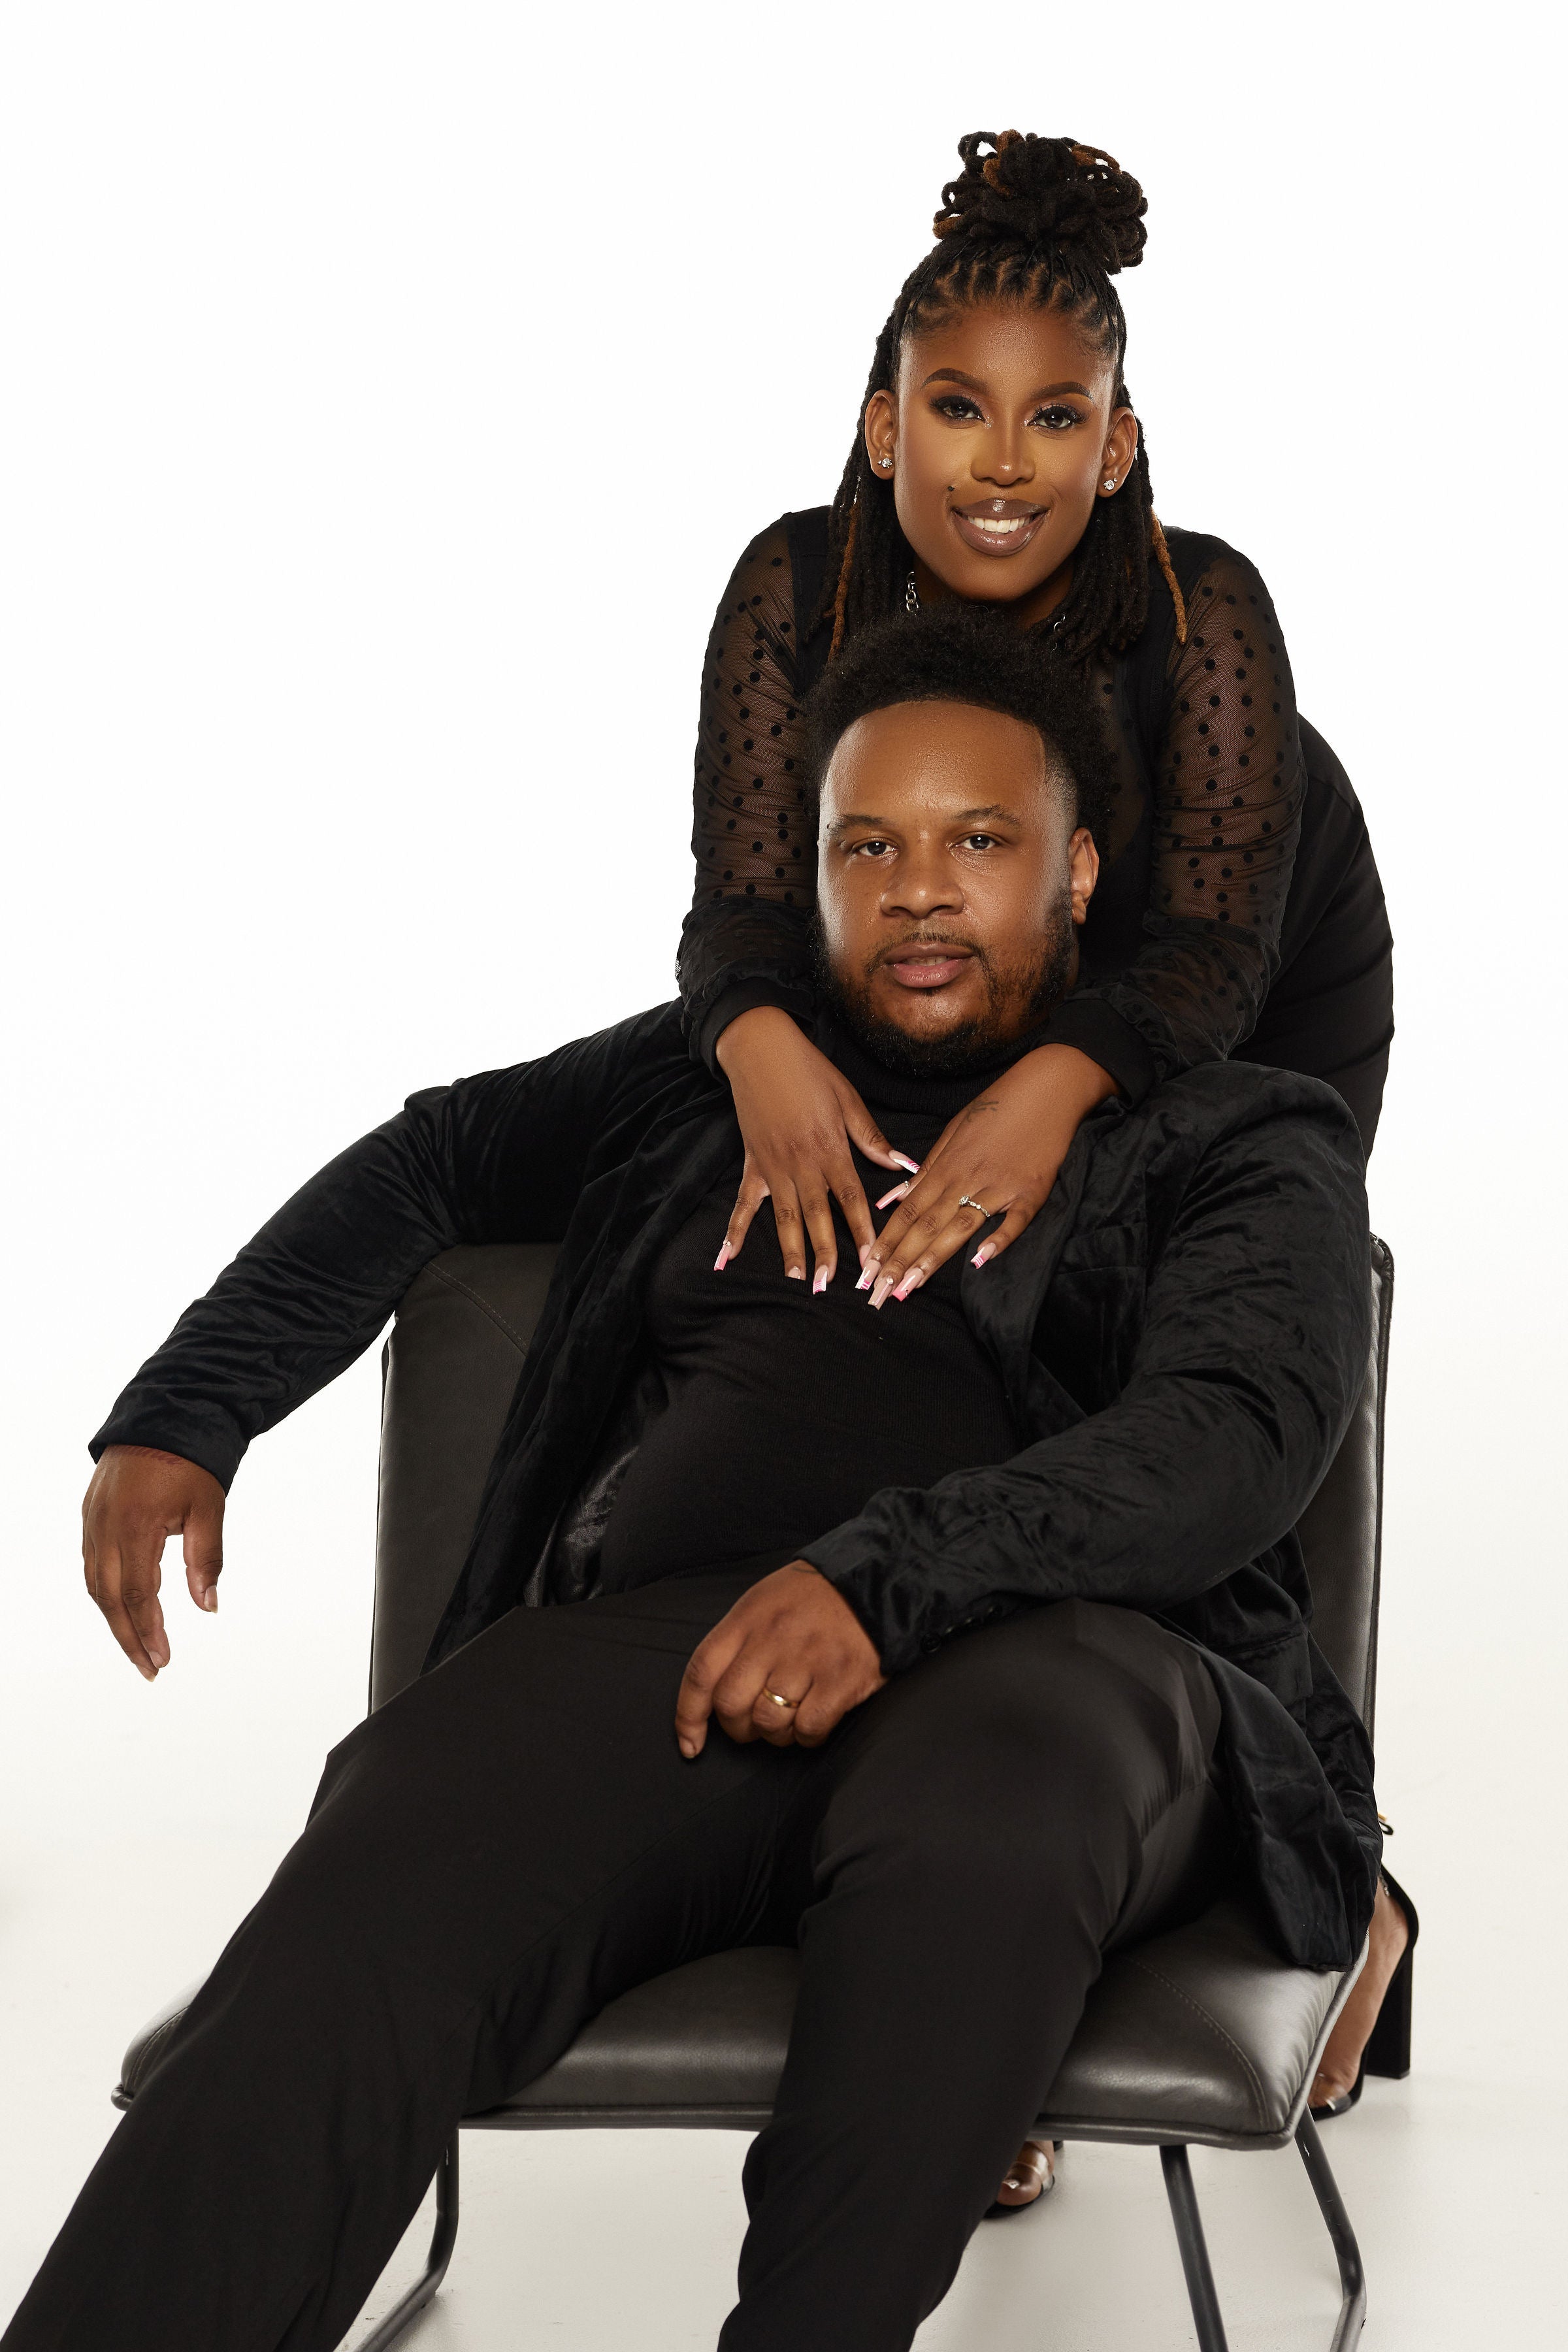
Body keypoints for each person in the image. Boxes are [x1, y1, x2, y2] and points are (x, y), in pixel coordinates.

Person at [7, 612, 1380, 2352]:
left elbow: (1232, 1434)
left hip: (1069, 1661)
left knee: (983, 1824)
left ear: (1080, 868)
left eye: (979, 841)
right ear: (809, 875)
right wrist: (185, 1413)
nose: (920, 892)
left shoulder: (1230, 1134)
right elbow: (434, 1160)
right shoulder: (714, 1078)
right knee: (404, 1833)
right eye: (867, 847)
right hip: (674, 1650)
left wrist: (880, 1580)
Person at [677, 131, 1407, 2189]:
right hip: (955, 989)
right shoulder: (793, 586)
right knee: (919, 1365)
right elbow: (750, 896)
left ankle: (1330, 1868)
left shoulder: (1205, 608)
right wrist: (753, 1042)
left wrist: (1055, 1090)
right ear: (881, 421)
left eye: (1058, 418)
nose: (1004, 464)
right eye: (959, 409)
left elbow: (1209, 954)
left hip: (1225, 1001)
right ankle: (972, 1947)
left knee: (1166, 1410)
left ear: (1119, 440)